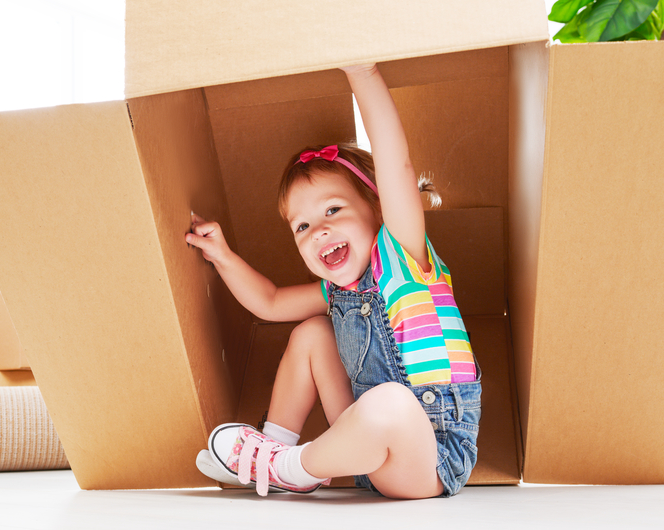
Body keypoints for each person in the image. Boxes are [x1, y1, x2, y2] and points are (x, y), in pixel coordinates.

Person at [185, 64, 481, 499]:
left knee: (392, 402)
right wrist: (223, 256)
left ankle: (289, 467)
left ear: (377, 210)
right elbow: (268, 302)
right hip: (363, 448)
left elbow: (396, 164)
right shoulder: (336, 293)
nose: (318, 231)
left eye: (333, 211)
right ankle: (273, 450)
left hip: (430, 461)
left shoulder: (403, 257)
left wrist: (363, 72)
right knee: (311, 334)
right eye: (302, 227)